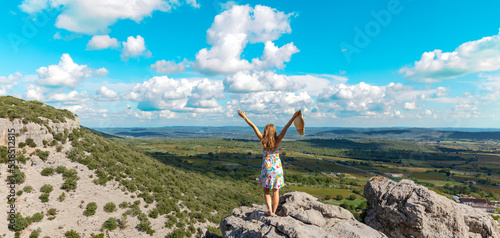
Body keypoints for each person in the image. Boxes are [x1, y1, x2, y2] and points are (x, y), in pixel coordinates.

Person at [238, 109, 302, 216]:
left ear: (266, 131)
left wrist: (244, 117)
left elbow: (253, 126)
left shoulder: (262, 139)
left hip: (267, 169)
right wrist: (294, 116)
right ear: (274, 131)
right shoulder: (278, 140)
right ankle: (274, 211)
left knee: (266, 191)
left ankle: (269, 210)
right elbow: (286, 126)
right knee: (276, 191)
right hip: (277, 169)